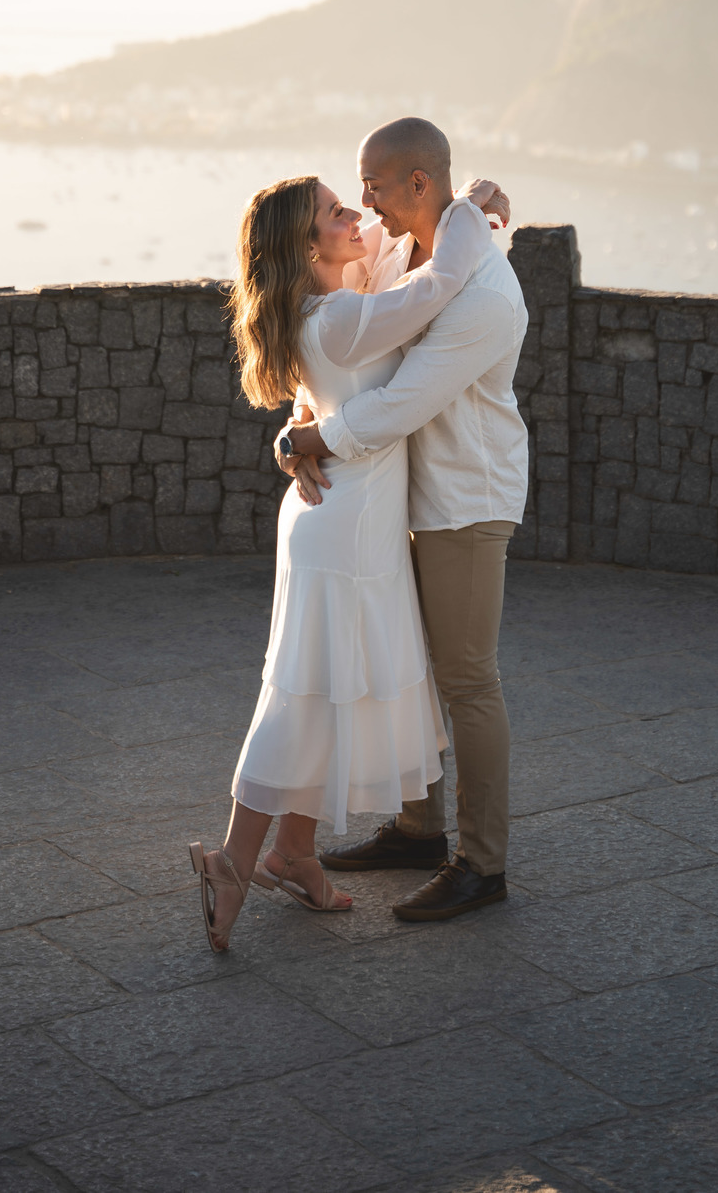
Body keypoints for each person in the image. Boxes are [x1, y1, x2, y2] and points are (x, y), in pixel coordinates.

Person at [189, 167, 505, 952]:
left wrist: (483, 201)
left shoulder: (329, 309)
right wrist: (467, 207)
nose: (356, 213)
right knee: (302, 699)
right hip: (350, 526)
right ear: (307, 244)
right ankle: (233, 859)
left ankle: (294, 852)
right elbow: (439, 283)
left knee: (320, 690)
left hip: (335, 519)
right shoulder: (340, 318)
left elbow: (404, 257)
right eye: (337, 211)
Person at [278, 116, 529, 923]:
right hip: (402, 495)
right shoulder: (396, 253)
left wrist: (312, 437)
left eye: (375, 185)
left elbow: (399, 402)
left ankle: (481, 863)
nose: (363, 201)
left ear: (420, 183)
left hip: (462, 501)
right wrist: (297, 425)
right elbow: (345, 354)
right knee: (420, 669)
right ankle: (421, 829)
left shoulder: (484, 293)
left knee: (466, 678)